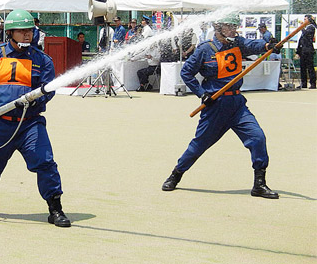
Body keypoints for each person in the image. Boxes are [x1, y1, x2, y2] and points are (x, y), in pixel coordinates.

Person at [0, 9, 71, 228]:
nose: (26, 35)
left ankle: (55, 209)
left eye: (29, 30)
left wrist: (37, 102)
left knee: (45, 162)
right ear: (10, 32)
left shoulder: (42, 60)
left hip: (30, 124)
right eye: (21, 31)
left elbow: (48, 90)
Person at [161, 14, 282, 199]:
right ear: (218, 28)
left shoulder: (237, 43)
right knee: (199, 145)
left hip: (237, 105)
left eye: (235, 26)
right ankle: (176, 174)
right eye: (230, 26)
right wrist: (202, 94)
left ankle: (259, 184)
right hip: (215, 106)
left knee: (258, 138)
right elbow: (187, 73)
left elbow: (253, 46)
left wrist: (268, 46)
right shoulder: (204, 49)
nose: (235, 30)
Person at [135, 16, 158, 92]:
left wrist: (151, 57)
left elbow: (142, 38)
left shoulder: (147, 29)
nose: (141, 22)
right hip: (150, 66)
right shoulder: (145, 29)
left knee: (143, 72)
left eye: (143, 20)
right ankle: (148, 85)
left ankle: (143, 86)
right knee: (141, 72)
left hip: (155, 67)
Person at [296, 14, 316, 89]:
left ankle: (313, 83)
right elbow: (301, 40)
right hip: (303, 51)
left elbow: (306, 34)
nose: (304, 21)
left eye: (305, 19)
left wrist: (302, 27)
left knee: (310, 67)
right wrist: (298, 51)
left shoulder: (311, 28)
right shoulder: (306, 28)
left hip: (308, 50)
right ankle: (303, 83)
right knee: (302, 67)